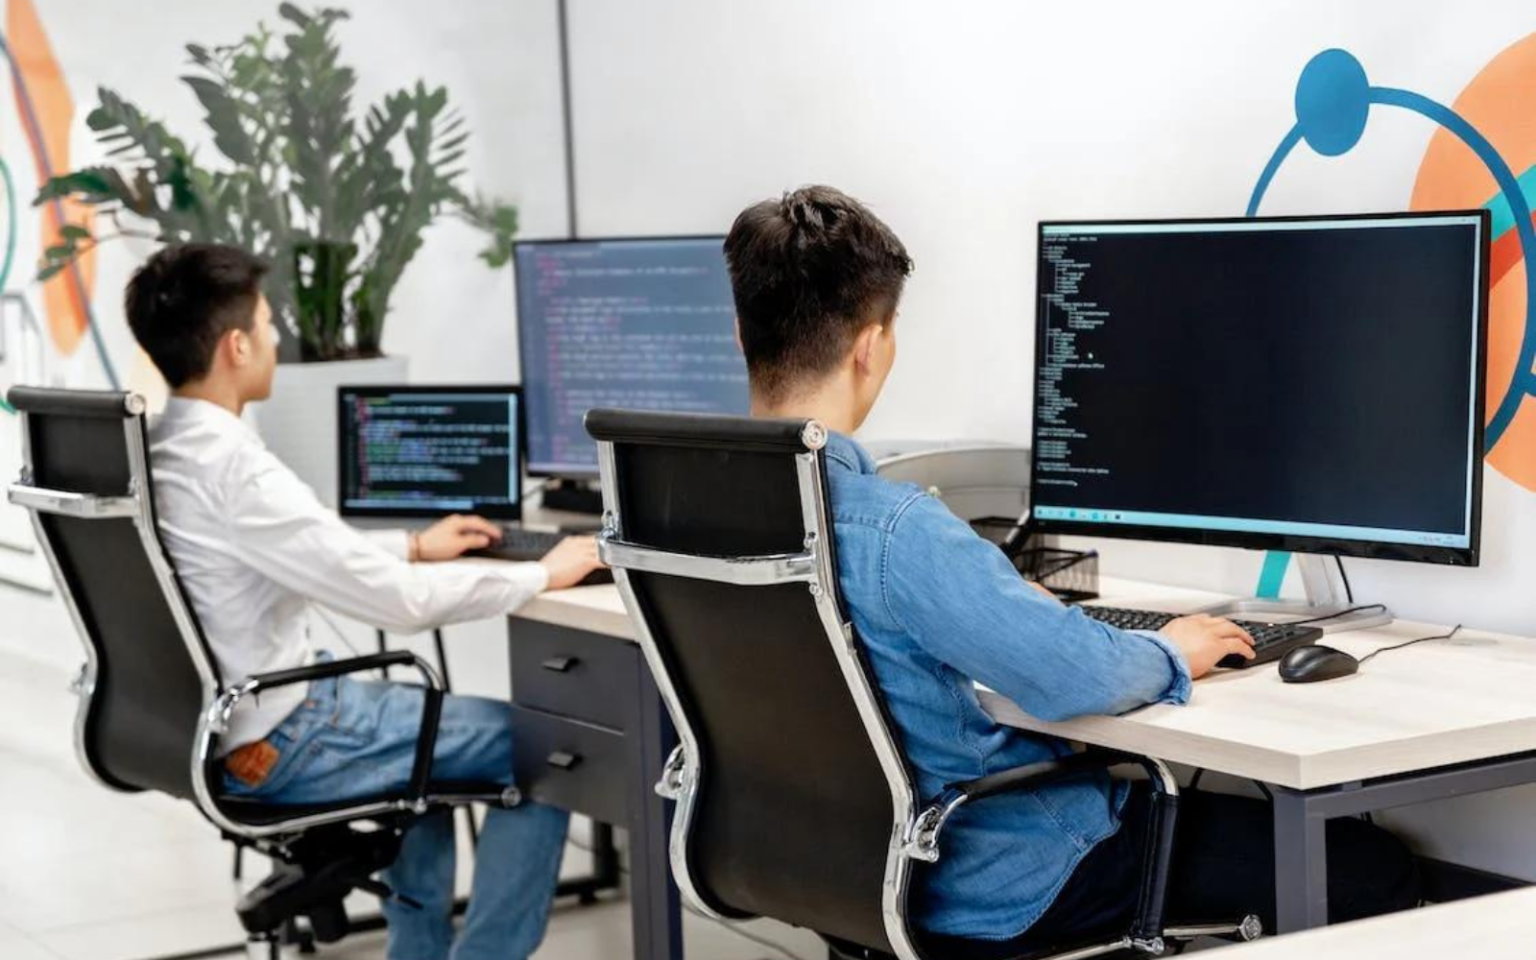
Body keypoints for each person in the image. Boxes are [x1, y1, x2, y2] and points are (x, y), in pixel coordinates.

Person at [722, 186, 1420, 953]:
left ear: (739, 334)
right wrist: (1171, 650)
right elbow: (1068, 677)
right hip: (998, 879)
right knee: (1366, 866)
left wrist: (1002, 602)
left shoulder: (692, 516)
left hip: (833, 872)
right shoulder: (893, 532)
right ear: (872, 346)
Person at [124, 243, 602, 960]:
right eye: (266, 323)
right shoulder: (234, 469)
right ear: (236, 345)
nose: (278, 340)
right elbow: (401, 605)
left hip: (226, 729)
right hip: (286, 737)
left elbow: (294, 552)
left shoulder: (159, 452)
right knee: (548, 750)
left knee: (430, 772)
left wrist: (411, 545)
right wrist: (544, 572)